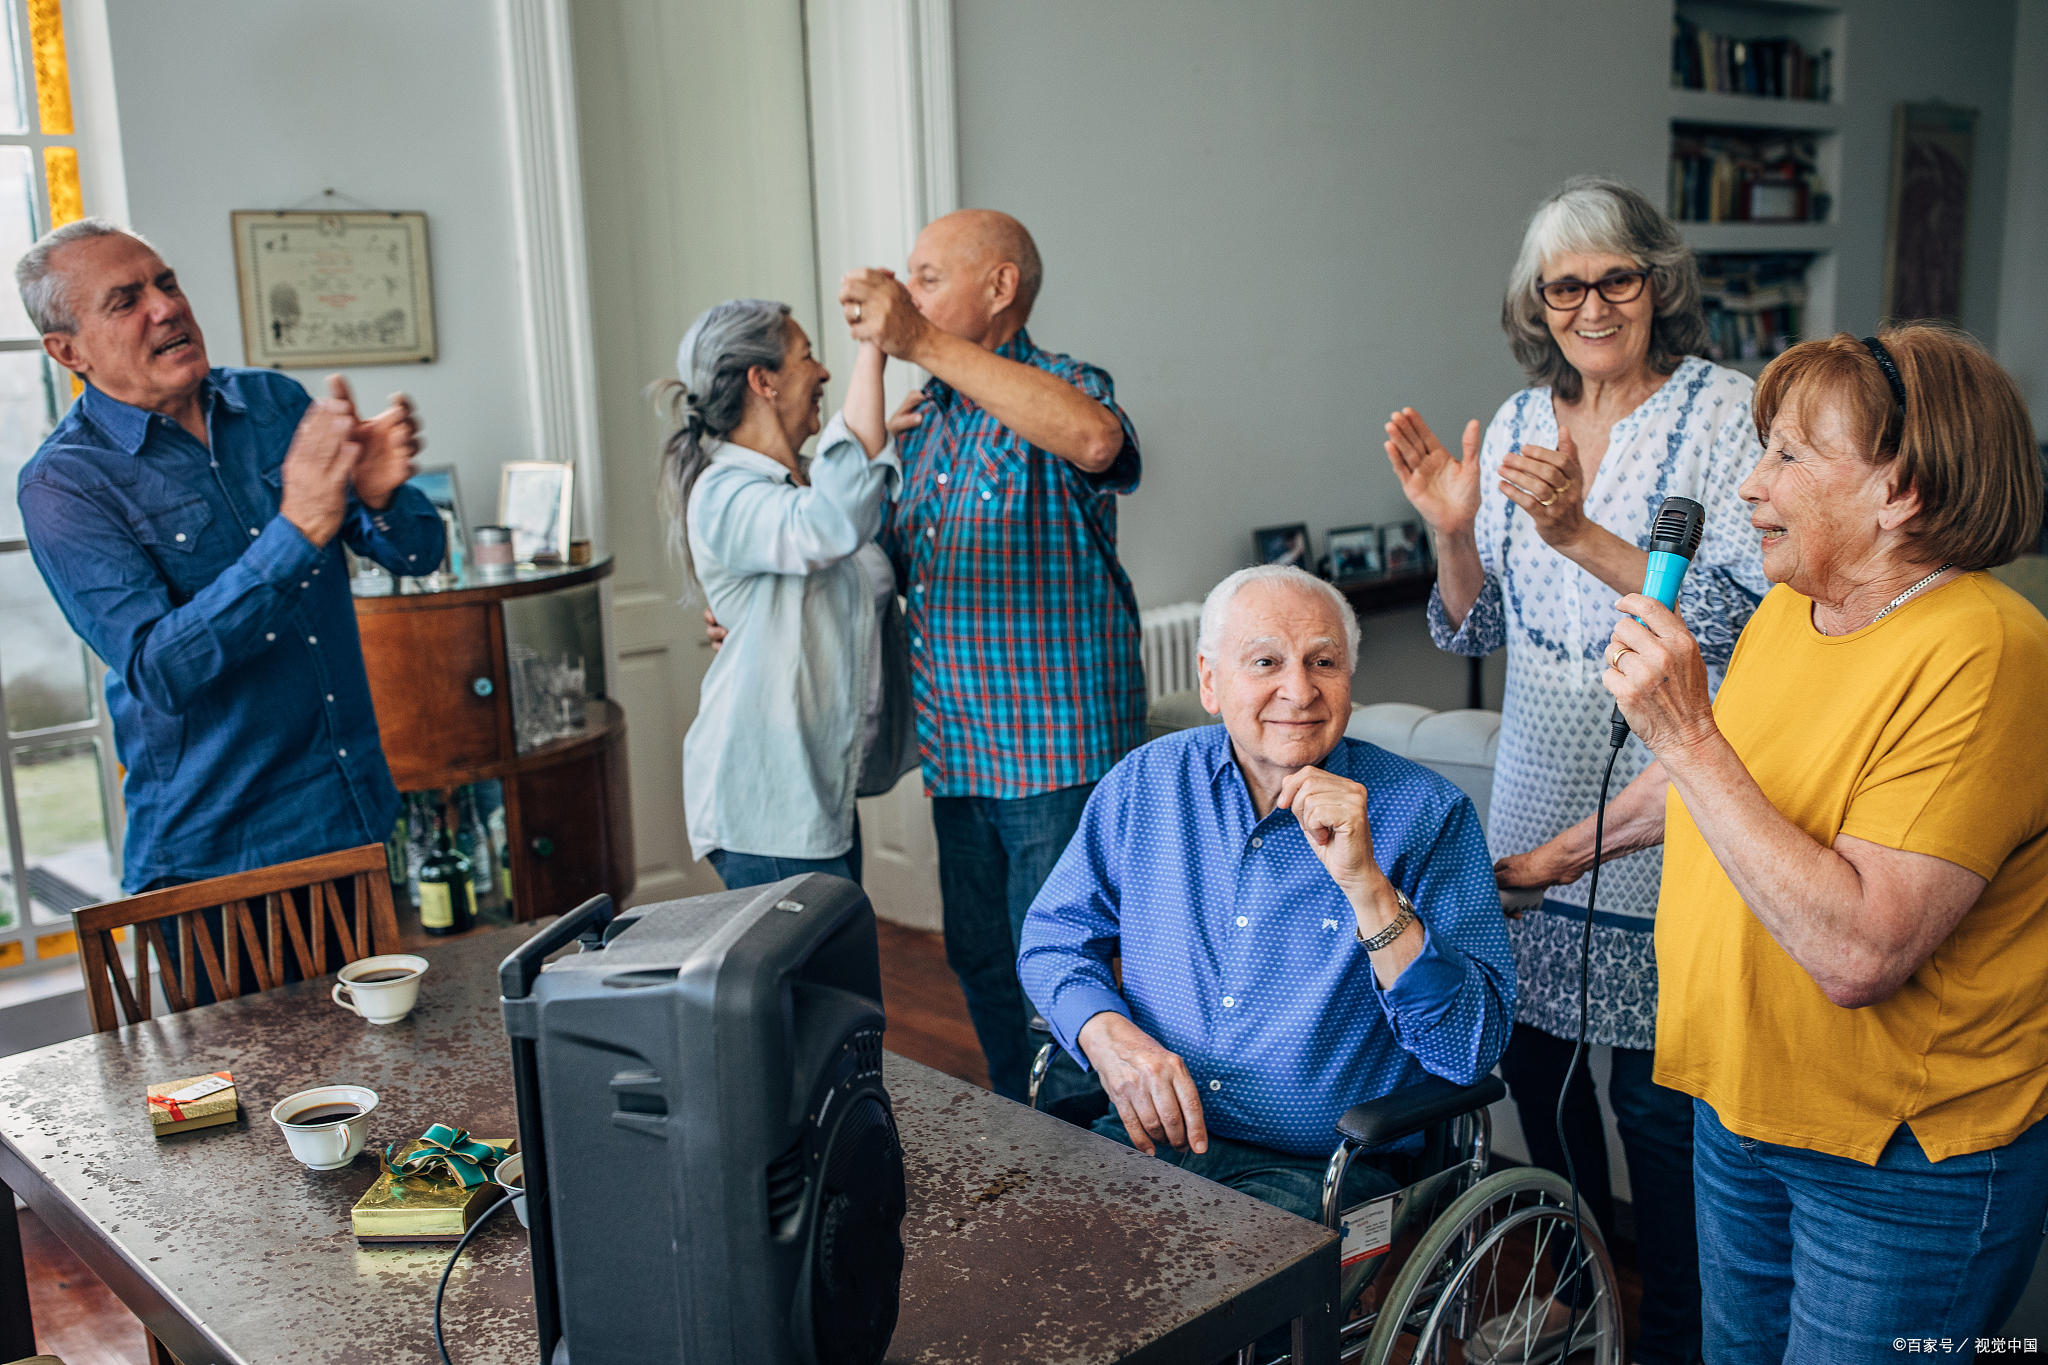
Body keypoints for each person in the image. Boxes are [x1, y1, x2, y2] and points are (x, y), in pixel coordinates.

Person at [1511, 325, 2048, 1359]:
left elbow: (1859, 951)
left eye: (1789, 455)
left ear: (1904, 489)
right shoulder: (1787, 614)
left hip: (1894, 1162)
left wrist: (1683, 726)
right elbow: (1708, 789)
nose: (1750, 487)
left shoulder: (1985, 653)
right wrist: (1548, 865)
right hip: (1741, 1108)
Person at [1384, 176, 1767, 1365]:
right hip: (1537, 772)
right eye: (1565, 285)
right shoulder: (1509, 424)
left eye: (1616, 277)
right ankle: (1576, 1285)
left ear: (1659, 284)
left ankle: (1684, 1332)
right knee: (1540, 1079)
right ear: (1534, 304)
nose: (1591, 304)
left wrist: (1576, 537)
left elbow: (1749, 624)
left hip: (1669, 776)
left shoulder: (1730, 414)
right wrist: (1454, 532)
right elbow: (1467, 631)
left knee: (1656, 1103)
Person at [1017, 564, 1514, 1219]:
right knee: (1046, 1279)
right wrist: (1107, 1035)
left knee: (1213, 1309)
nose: (1298, 689)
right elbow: (1054, 936)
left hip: (1331, 1171)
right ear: (1210, 681)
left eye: (1323, 661)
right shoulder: (1147, 783)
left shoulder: (1427, 815)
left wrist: (1367, 886)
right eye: (1265, 661)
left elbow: (1469, 1049)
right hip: (1151, 1138)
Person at [16, 219, 438, 928]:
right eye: (126, 300)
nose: (166, 307)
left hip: (353, 822)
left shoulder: (273, 404)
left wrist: (382, 495)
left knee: (384, 1045)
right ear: (69, 350)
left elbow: (418, 552)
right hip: (216, 869)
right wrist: (298, 528)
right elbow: (161, 669)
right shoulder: (63, 485)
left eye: (167, 282)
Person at [835, 209, 1145, 1104]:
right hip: (960, 750)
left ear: (1000, 287)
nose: (909, 290)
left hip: (1055, 753)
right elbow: (888, 563)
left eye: (929, 276)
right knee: (980, 953)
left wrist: (919, 339)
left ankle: (1096, 1156)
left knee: (1067, 964)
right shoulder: (927, 419)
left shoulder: (1067, 385)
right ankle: (1030, 1120)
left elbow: (1096, 442)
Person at [667, 298, 912, 889]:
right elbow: (830, 523)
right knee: (819, 982)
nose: (823, 373)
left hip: (816, 793)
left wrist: (876, 447)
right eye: (808, 357)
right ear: (764, 381)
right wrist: (872, 351)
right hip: (765, 803)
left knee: (837, 981)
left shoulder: (798, 481)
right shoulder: (725, 492)